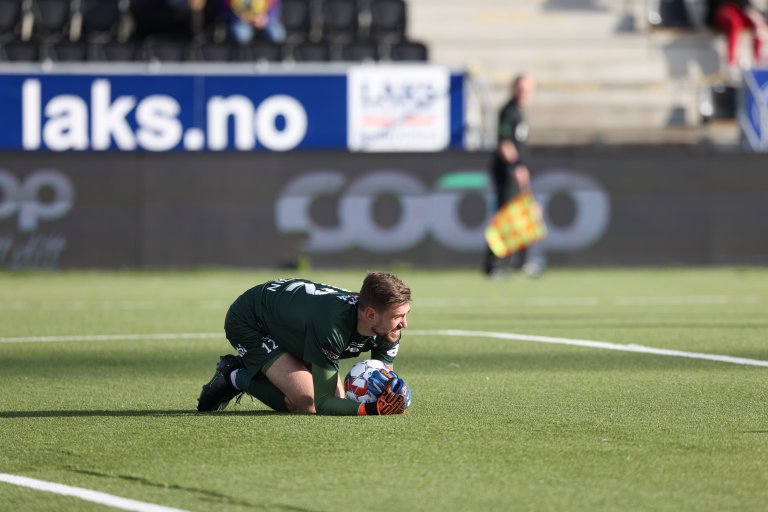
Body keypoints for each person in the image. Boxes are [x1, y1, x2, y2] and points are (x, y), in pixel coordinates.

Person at [197, 272, 412, 416]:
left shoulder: (388, 328)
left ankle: (270, 370)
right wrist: (373, 409)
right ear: (371, 314)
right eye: (398, 316)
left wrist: (391, 394)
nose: (404, 324)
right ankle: (234, 375)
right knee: (306, 403)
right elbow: (323, 402)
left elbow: (383, 377)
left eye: (406, 314)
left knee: (340, 401)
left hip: (297, 325)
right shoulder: (332, 326)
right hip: (252, 320)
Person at [482, 73, 541, 278]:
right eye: (520, 88)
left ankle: (521, 262)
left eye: (527, 89)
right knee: (504, 219)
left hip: (516, 173)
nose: (524, 93)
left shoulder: (518, 112)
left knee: (520, 218)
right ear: (513, 88)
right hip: (507, 174)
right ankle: (493, 265)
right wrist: (516, 167)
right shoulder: (509, 112)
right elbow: (504, 143)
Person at [706, 0, 767, 74]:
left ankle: (759, 64)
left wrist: (753, 14)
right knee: (734, 23)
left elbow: (745, 4)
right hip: (723, 9)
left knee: (757, 24)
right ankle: (732, 64)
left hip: (739, 9)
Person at [222, 0, 286, 44]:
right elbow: (224, 9)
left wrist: (266, 19)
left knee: (276, 34)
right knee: (242, 35)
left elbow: (275, 7)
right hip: (240, 22)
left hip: (263, 20)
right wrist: (238, 18)